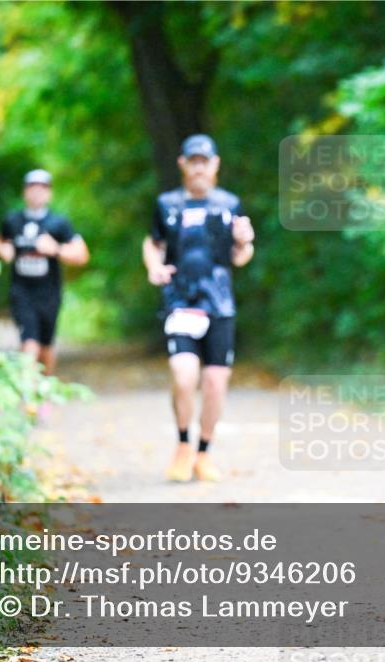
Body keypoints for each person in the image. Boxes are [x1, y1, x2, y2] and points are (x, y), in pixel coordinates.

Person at [143, 135, 255, 483]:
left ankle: (203, 452)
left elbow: (240, 258)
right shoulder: (167, 204)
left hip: (219, 304)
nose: (199, 167)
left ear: (215, 164)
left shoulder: (229, 204)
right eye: (193, 161)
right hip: (180, 302)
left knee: (215, 383)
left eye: (204, 161)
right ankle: (182, 445)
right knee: (183, 374)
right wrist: (154, 266)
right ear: (183, 164)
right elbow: (152, 242)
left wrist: (245, 241)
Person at [0, 169, 89, 376]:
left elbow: (82, 255)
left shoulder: (59, 223)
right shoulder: (13, 220)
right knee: (29, 343)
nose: (36, 193)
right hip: (21, 291)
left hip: (49, 293)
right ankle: (30, 400)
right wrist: (4, 250)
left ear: (49, 193)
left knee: (46, 347)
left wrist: (56, 249)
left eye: (41, 188)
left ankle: (45, 391)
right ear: (24, 192)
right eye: (32, 188)